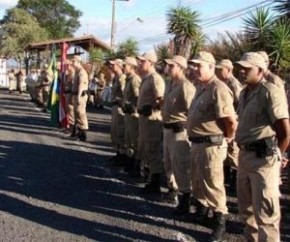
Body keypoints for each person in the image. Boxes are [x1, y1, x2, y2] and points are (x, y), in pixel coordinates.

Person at [235, 52, 290, 242]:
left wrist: (277, 155)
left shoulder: (269, 91)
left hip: (263, 159)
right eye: (241, 68)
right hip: (245, 156)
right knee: (247, 211)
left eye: (247, 69)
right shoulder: (244, 93)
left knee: (266, 214)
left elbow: (284, 131)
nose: (242, 72)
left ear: (260, 70)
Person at [187, 51, 237, 242]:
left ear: (210, 67)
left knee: (214, 183)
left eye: (199, 66)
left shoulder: (219, 88)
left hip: (211, 144)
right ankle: (202, 212)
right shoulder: (202, 88)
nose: (195, 69)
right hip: (198, 143)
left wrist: (228, 137)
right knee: (198, 180)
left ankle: (219, 221)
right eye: (194, 65)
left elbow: (230, 121)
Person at [162, 55, 196, 213]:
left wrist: (186, 126)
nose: (168, 68)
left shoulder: (186, 86)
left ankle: (185, 197)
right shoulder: (170, 84)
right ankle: (172, 190)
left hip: (179, 131)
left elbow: (192, 111)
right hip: (168, 128)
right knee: (169, 163)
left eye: (172, 66)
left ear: (181, 68)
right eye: (168, 65)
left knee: (181, 165)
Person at [137, 51, 165, 194]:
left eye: (143, 61)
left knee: (153, 149)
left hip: (152, 119)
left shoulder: (155, 79)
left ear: (151, 63)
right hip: (144, 119)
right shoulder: (146, 78)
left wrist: (152, 107)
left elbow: (161, 99)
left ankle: (155, 181)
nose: (140, 63)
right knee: (146, 148)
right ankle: (148, 175)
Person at [215, 59, 243, 190]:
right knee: (226, 152)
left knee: (233, 151)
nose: (218, 71)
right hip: (224, 121)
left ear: (228, 70)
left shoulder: (234, 84)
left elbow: (240, 104)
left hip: (233, 120)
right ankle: (227, 176)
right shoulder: (221, 83)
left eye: (221, 69)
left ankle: (237, 180)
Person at [122, 57, 142, 174]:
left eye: (125, 65)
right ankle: (130, 162)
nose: (123, 67)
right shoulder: (128, 79)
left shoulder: (135, 80)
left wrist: (132, 106)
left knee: (135, 141)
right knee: (129, 140)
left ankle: (137, 165)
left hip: (133, 114)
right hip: (128, 113)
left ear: (132, 67)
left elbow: (138, 97)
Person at [108, 59, 127, 165]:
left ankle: (122, 154)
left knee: (120, 131)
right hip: (115, 106)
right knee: (114, 131)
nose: (110, 67)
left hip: (120, 108)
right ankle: (118, 152)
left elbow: (125, 94)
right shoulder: (115, 77)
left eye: (113, 65)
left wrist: (120, 102)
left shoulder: (122, 78)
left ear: (119, 65)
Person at [71, 55, 89, 141]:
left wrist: (78, 96)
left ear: (78, 62)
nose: (72, 63)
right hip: (75, 95)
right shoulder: (77, 71)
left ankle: (83, 133)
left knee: (81, 113)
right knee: (76, 114)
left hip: (80, 96)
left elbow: (81, 85)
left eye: (73, 61)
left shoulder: (82, 72)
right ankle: (79, 131)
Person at [64, 60, 75, 133]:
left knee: (71, 111)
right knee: (68, 111)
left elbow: (73, 86)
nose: (67, 66)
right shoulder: (68, 74)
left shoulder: (73, 74)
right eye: (66, 65)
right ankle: (69, 126)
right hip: (67, 94)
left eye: (68, 65)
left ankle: (72, 128)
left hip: (71, 94)